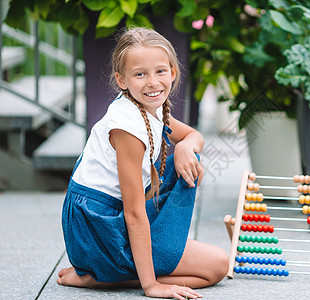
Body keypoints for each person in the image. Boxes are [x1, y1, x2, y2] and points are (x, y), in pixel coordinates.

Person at [57, 27, 228, 299]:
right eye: (140, 74)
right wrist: (151, 286)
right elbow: (134, 214)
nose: (152, 82)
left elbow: (195, 136)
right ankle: (104, 278)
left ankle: (114, 273)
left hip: (110, 220)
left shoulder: (149, 106)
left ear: (173, 71)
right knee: (217, 266)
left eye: (160, 71)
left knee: (189, 158)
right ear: (122, 79)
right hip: (101, 231)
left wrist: (184, 145)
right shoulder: (127, 129)